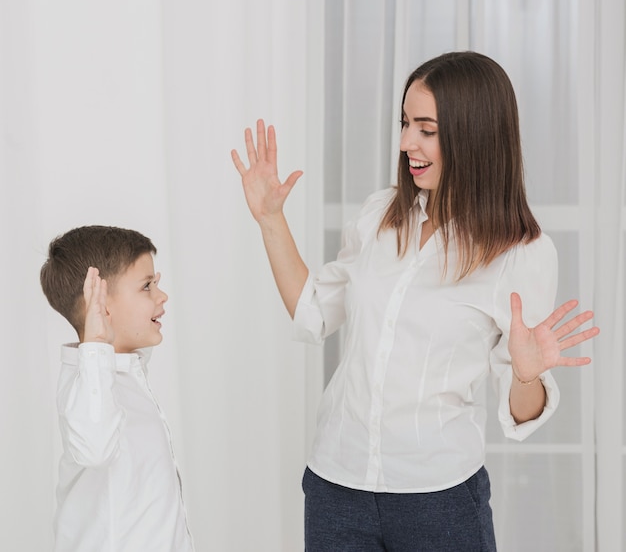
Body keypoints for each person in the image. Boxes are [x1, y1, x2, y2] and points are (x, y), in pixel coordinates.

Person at [231, 51, 600, 551]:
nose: (406, 143)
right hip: (336, 486)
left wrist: (526, 372)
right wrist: (270, 219)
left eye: (426, 129)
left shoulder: (522, 253)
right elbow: (314, 311)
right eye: (406, 124)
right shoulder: (380, 214)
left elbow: (522, 410)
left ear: (474, 135)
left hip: (439, 501)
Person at [40, 225, 194, 552]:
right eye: (147, 286)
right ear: (101, 305)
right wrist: (96, 342)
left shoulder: (124, 372)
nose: (162, 295)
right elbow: (94, 448)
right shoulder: (86, 383)